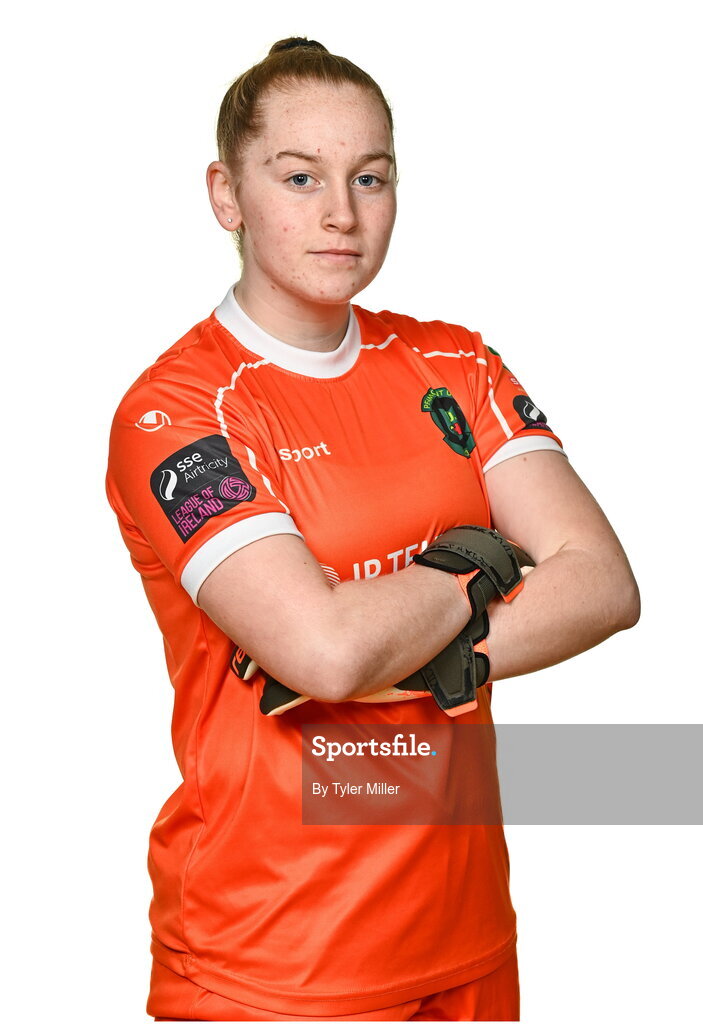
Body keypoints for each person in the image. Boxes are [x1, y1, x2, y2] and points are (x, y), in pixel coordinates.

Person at [106, 36, 640, 1023]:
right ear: (227, 194)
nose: (340, 213)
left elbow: (604, 583)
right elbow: (324, 652)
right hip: (277, 957)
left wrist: (405, 640)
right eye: (299, 176)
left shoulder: (456, 362)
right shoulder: (177, 413)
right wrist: (480, 567)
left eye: (370, 177)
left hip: (467, 931)